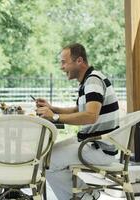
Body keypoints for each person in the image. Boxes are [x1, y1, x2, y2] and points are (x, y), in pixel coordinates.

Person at [36, 43, 119, 200]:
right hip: (91, 142)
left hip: (99, 148)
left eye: (64, 62)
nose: (62, 67)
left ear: (79, 61)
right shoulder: (88, 81)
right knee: (45, 156)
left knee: (47, 162)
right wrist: (52, 108)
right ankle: (88, 194)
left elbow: (90, 116)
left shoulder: (93, 81)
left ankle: (85, 197)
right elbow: (77, 110)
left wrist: (54, 117)